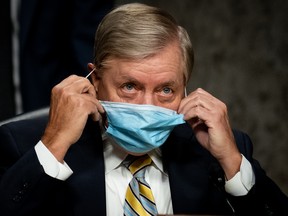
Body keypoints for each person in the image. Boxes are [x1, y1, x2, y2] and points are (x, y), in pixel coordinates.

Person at [0, 3, 287, 216]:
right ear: (95, 81)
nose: (147, 107)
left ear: (186, 89)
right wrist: (54, 146)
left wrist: (232, 162)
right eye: (129, 86)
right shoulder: (25, 145)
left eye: (166, 90)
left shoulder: (224, 150)